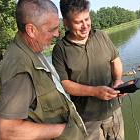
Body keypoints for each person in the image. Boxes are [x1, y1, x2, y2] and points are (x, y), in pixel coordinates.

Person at [0, 0, 87, 139]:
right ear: (31, 30)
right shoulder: (19, 65)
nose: (57, 34)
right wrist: (64, 130)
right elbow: (8, 131)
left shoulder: (32, 50)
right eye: (52, 29)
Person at [52, 0, 125, 139]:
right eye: (79, 22)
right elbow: (64, 84)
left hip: (114, 109)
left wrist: (118, 80)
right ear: (65, 23)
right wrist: (94, 92)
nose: (85, 26)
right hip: (87, 118)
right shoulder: (60, 50)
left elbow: (115, 61)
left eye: (87, 19)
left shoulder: (102, 36)